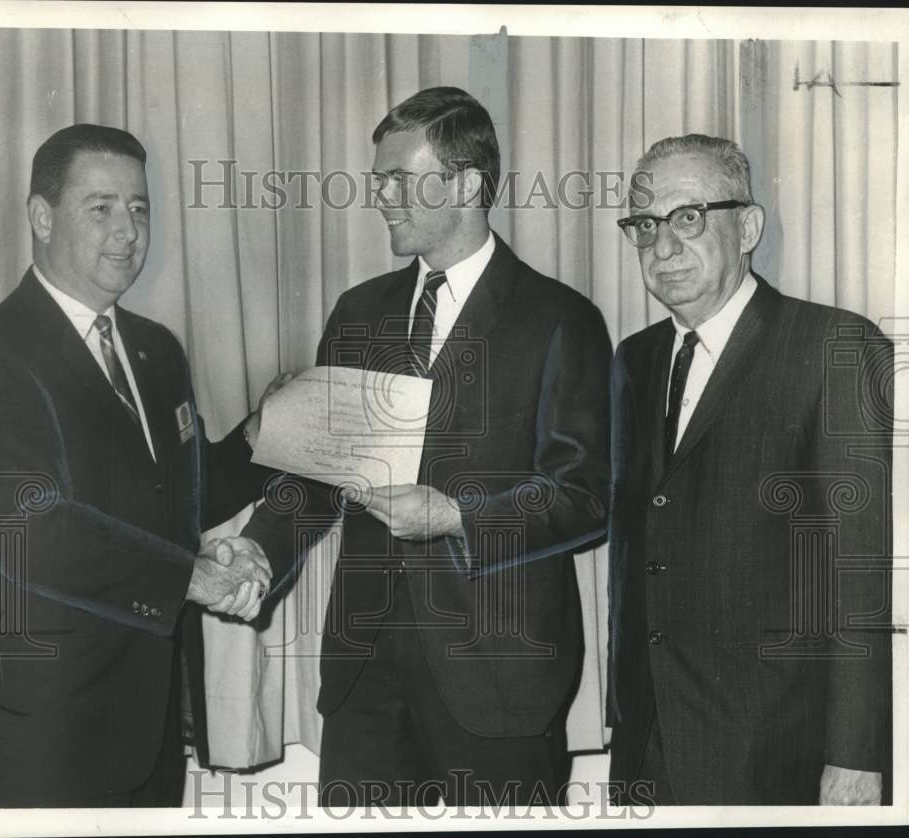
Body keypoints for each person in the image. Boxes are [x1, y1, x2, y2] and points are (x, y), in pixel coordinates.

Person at [244, 87, 612, 806]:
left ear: (469, 184)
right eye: (378, 178)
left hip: (501, 679)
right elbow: (318, 474)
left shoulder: (561, 319)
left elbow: (587, 498)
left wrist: (457, 517)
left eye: (399, 179)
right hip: (363, 677)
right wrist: (259, 549)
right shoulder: (359, 311)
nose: (380, 196)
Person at [0, 123, 282, 807]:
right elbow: (32, 532)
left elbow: (184, 496)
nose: (127, 230)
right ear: (41, 217)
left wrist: (274, 431)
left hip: (152, 730)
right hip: (43, 742)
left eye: (139, 208)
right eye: (101, 208)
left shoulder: (156, 350)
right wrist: (195, 579)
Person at [607, 134, 892, 805]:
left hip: (775, 748)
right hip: (647, 741)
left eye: (687, 217)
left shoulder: (834, 347)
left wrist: (855, 757)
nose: (663, 247)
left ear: (748, 227)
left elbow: (858, 570)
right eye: (644, 225)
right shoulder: (636, 359)